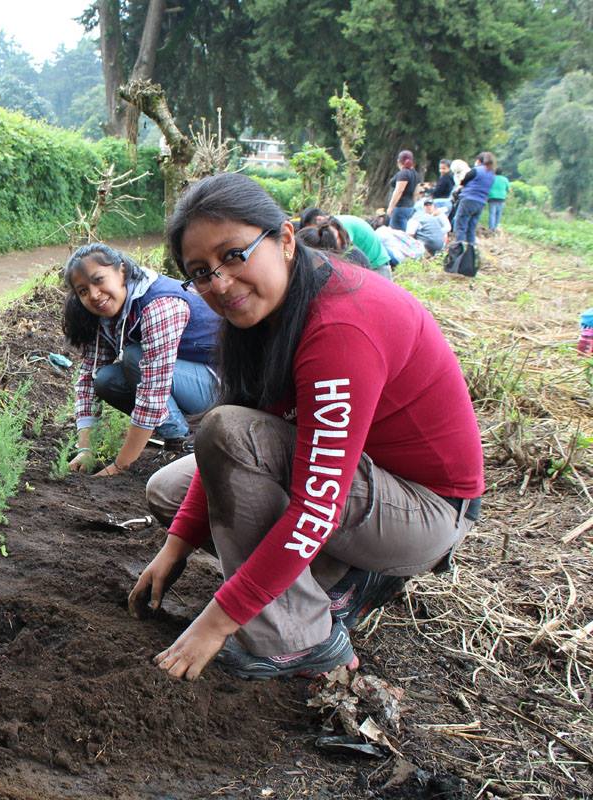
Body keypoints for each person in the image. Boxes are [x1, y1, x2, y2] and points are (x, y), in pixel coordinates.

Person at [130, 173, 483, 680]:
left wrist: (218, 620)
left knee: (228, 433)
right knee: (170, 491)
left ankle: (301, 640)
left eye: (234, 255)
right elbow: (237, 457)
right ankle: (339, 581)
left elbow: (317, 504)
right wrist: (174, 549)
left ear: (286, 239)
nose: (220, 283)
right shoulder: (268, 314)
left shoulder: (339, 327)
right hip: (362, 483)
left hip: (426, 510)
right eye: (201, 272)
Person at [64, 243, 220, 475]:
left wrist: (120, 466)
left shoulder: (160, 304)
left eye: (99, 280)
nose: (94, 295)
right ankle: (184, 433)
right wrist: (85, 449)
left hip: (221, 388)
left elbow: (153, 389)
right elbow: (89, 377)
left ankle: (180, 443)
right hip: (185, 383)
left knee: (135, 357)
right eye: (83, 291)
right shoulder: (106, 312)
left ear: (122, 271)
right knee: (105, 380)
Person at [453, 152, 496, 246]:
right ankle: (471, 248)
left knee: (461, 224)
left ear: (479, 161)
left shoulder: (476, 170)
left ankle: (459, 247)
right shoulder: (492, 174)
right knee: (471, 227)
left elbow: (463, 182)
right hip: (481, 202)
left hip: (468, 199)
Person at [385, 150, 419, 231]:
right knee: (404, 232)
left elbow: (399, 191)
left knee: (396, 233)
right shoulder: (415, 174)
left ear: (398, 161)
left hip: (400, 207)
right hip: (409, 207)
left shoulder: (403, 173)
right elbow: (416, 192)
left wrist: (391, 207)